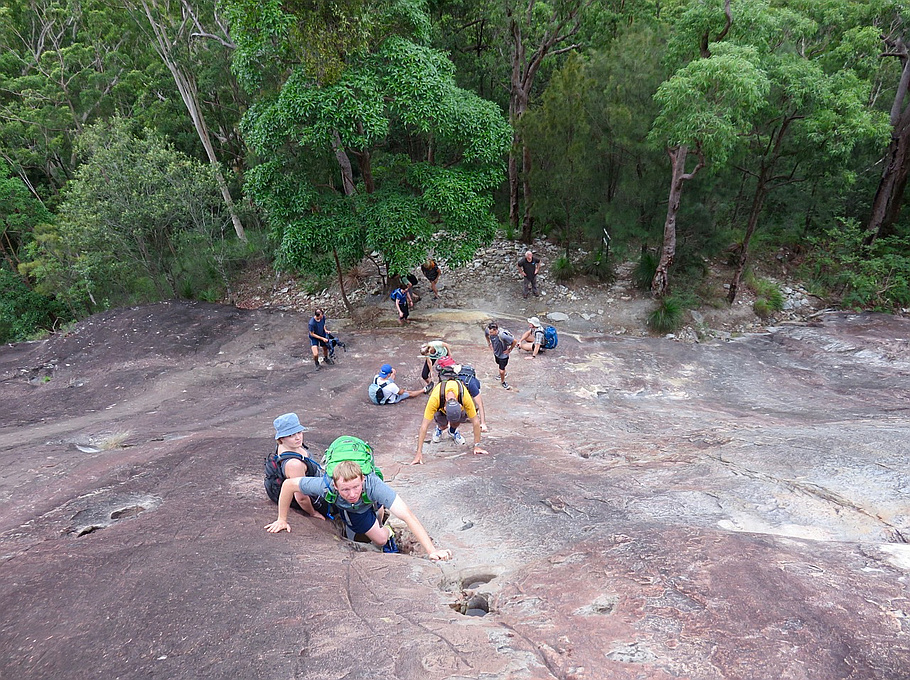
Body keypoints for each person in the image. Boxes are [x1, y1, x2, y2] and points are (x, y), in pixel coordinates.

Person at [265, 459, 452, 561]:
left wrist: (431, 550)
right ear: (335, 486)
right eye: (345, 489)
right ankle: (373, 530)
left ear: (363, 480)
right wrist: (282, 519)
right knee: (369, 531)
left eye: (356, 486)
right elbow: (289, 485)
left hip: (370, 501)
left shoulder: (374, 486)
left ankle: (387, 529)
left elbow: (407, 515)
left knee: (379, 526)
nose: (352, 493)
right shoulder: (325, 485)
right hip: (350, 509)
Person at [411, 378, 488, 465]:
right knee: (442, 424)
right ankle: (440, 428)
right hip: (440, 406)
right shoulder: (435, 399)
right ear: (444, 408)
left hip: (457, 407)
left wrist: (477, 446)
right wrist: (418, 453)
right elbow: (424, 427)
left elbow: (476, 422)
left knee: (456, 421)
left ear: (460, 405)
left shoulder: (464, 397)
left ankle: (452, 431)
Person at [266, 413, 327, 520]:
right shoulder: (294, 465)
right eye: (290, 435)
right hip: (314, 498)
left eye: (299, 432)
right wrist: (313, 513)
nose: (297, 438)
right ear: (281, 438)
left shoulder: (287, 445)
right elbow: (301, 497)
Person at [435, 356, 488, 432]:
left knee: (470, 407)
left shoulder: (471, 384)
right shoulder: (446, 379)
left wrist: (483, 423)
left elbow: (480, 404)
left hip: (469, 393)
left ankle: (465, 416)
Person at [484, 322, 517, 390]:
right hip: (496, 352)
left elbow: (514, 341)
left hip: (503, 355)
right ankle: (504, 373)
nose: (490, 334)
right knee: (498, 363)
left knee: (501, 370)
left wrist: (510, 349)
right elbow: (486, 335)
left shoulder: (502, 336)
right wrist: (489, 344)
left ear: (496, 330)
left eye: (492, 332)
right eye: (489, 332)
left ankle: (503, 382)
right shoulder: (488, 331)